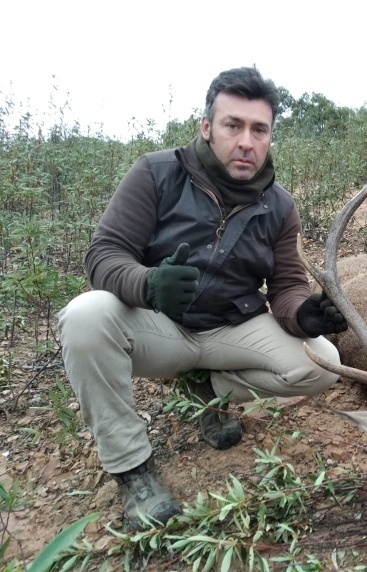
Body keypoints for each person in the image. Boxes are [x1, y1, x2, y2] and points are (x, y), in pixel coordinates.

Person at [58, 67, 347, 529]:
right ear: (206, 127)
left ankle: (206, 391)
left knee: (320, 362)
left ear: (271, 136)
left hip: (230, 327)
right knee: (84, 316)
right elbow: (104, 254)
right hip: (161, 328)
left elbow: (288, 286)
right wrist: (148, 284)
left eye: (259, 129)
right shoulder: (155, 173)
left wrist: (303, 314)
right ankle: (133, 470)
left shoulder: (280, 205)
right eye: (233, 125)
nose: (246, 142)